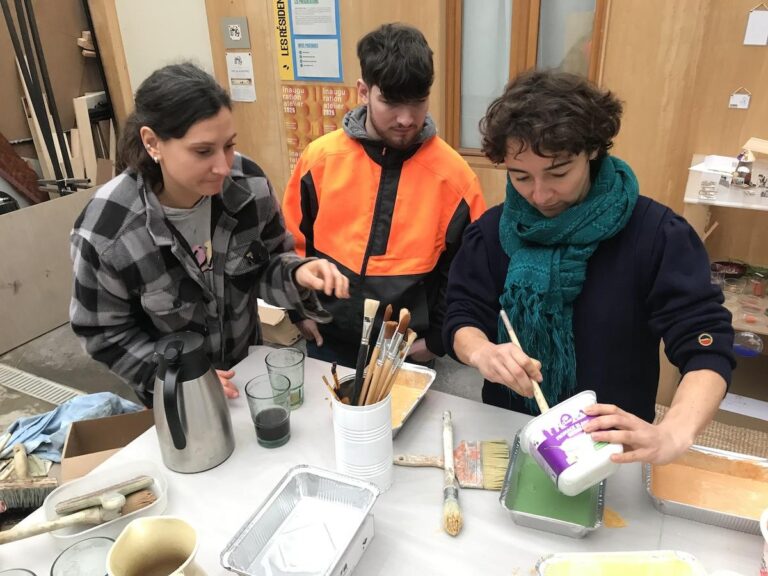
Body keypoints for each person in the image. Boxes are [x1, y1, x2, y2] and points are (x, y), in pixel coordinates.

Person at [443, 70, 734, 465]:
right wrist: (481, 352)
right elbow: (461, 313)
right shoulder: (493, 233)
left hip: (614, 450)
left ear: (593, 151)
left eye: (559, 172)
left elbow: (706, 343)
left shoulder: (656, 235)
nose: (540, 195)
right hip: (514, 434)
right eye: (520, 176)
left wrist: (673, 432)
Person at [70, 63, 348, 407]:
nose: (223, 166)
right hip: (174, 397)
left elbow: (267, 263)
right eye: (203, 151)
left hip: (249, 376)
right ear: (152, 142)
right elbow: (102, 332)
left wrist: (297, 273)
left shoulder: (247, 187)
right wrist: (183, 378)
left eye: (228, 146)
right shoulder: (109, 230)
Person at [282, 23, 486, 368]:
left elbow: (466, 273)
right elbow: (290, 245)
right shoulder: (320, 160)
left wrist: (435, 341)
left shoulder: (455, 179)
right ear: (364, 91)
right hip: (326, 337)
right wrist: (298, 313)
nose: (407, 119)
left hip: (407, 349)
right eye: (390, 102)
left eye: (418, 102)